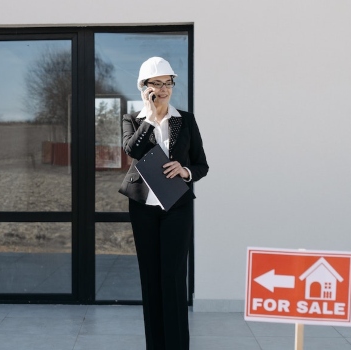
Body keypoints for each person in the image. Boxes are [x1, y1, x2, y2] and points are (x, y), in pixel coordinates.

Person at [118, 57, 209, 350]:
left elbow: (202, 165)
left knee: (173, 278)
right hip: (143, 208)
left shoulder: (186, 120)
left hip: (177, 207)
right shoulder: (133, 119)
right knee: (151, 278)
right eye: (157, 83)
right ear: (145, 87)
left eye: (168, 82)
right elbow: (132, 150)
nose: (164, 88)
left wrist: (185, 171)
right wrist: (151, 118)